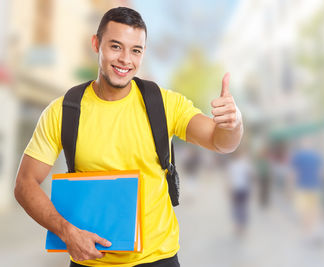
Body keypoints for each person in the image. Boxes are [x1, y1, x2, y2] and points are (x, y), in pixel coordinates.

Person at [14, 7, 243, 267]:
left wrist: (233, 123)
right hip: (90, 262)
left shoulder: (163, 104)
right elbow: (25, 184)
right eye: (115, 46)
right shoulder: (64, 111)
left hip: (159, 259)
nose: (125, 59)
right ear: (96, 44)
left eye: (136, 50)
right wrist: (65, 231)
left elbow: (220, 141)